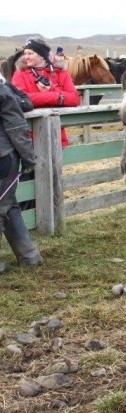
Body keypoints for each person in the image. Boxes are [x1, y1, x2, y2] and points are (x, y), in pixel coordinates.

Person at [0, 82, 43, 273]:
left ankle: (28, 255)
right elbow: (15, 125)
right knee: (5, 203)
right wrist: (28, 157)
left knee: (7, 203)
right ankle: (28, 255)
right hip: (4, 157)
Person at [12, 38, 80, 147]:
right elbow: (20, 100)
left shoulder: (60, 72)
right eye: (25, 53)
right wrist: (57, 97)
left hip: (57, 133)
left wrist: (51, 89)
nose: (26, 57)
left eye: (30, 53)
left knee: (57, 163)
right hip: (29, 135)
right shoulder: (20, 74)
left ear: (41, 55)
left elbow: (75, 98)